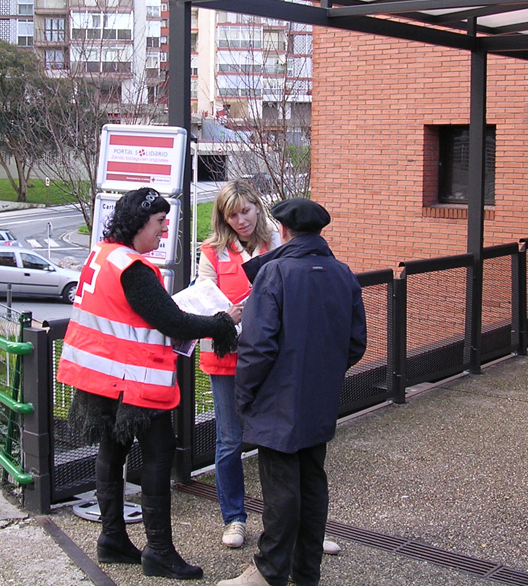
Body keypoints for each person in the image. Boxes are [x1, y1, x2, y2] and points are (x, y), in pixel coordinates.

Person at [57, 186, 242, 581]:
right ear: (140, 222)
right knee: (158, 457)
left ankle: (111, 539)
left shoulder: (103, 255)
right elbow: (171, 321)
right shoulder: (135, 269)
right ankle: (158, 551)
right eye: (159, 221)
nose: (163, 230)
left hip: (100, 379)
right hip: (134, 384)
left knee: (112, 451)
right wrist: (222, 322)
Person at [218, 198, 367, 586]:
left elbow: (258, 346)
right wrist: (323, 374)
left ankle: (269, 572)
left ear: (283, 231)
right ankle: (306, 572)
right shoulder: (342, 273)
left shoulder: (276, 273)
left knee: (281, 490)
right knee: (312, 483)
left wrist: (245, 395)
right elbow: (356, 343)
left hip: (276, 400)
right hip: (319, 397)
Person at [196, 179, 279, 549]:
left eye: (245, 211)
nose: (241, 220)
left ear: (257, 207)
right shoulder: (212, 251)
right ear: (223, 217)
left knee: (276, 440)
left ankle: (282, 519)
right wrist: (228, 313)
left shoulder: (274, 243)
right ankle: (234, 518)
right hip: (226, 354)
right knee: (229, 439)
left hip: (267, 355)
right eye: (232, 214)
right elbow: (204, 295)